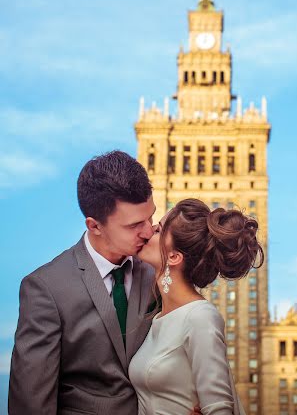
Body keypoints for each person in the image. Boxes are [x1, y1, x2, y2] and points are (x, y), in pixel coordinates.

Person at [9, 150, 157, 415]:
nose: (148, 231)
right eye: (134, 224)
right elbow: (31, 402)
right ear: (95, 225)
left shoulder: (159, 270)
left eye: (150, 217)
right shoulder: (46, 289)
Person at [129, 198, 264, 415]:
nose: (150, 229)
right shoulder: (157, 318)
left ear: (173, 256)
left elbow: (220, 409)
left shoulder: (200, 317)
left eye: (159, 230)